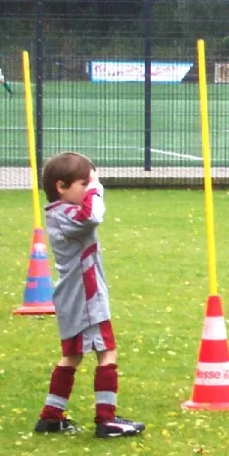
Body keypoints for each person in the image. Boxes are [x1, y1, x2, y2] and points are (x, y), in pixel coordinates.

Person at [34, 152, 145, 438]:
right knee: (106, 351)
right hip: (85, 298)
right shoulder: (66, 215)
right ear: (61, 186)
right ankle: (106, 419)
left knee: (72, 356)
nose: (88, 189)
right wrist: (97, 185)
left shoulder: (60, 213)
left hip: (78, 297)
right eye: (82, 184)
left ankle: (50, 416)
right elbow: (93, 215)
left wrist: (90, 184)